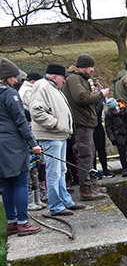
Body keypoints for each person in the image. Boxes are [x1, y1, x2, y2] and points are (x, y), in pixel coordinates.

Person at [28, 63, 86, 216]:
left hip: (59, 136)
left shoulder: (53, 87)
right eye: (62, 78)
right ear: (55, 76)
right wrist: (55, 124)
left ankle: (65, 201)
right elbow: (36, 111)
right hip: (51, 135)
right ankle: (55, 206)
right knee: (54, 172)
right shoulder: (42, 86)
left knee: (61, 170)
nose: (64, 81)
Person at [0, 58, 42, 236]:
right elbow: (20, 121)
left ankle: (12, 222)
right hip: (13, 144)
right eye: (13, 77)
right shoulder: (10, 94)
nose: (16, 81)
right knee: (20, 182)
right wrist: (33, 144)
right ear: (6, 77)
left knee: (6, 184)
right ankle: (23, 223)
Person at [62, 53, 109, 200]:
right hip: (81, 123)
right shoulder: (74, 79)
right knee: (85, 155)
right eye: (91, 67)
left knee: (90, 154)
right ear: (84, 66)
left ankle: (92, 184)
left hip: (88, 122)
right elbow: (81, 98)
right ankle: (86, 188)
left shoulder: (81, 79)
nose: (93, 70)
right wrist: (100, 94)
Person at [103, 98, 127, 177]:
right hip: (118, 136)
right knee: (122, 153)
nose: (117, 111)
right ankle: (124, 168)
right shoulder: (109, 115)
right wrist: (113, 139)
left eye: (117, 109)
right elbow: (108, 127)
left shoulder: (126, 111)